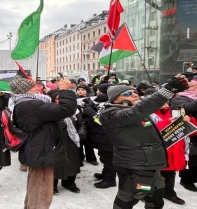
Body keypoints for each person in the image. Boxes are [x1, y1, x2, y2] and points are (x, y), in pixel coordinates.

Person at [99, 77, 188, 209]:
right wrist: (168, 90)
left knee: (156, 199)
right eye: (128, 94)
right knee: (127, 200)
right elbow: (141, 108)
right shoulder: (110, 114)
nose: (134, 94)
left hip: (151, 165)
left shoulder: (133, 110)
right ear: (115, 99)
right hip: (136, 167)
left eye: (134, 91)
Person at [9, 75, 77, 209]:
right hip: (41, 151)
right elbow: (66, 109)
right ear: (25, 90)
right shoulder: (31, 104)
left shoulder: (26, 102)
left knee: (36, 186)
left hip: (38, 149)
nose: (38, 87)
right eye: (33, 86)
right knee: (41, 190)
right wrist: (64, 91)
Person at [48, 89, 86, 195]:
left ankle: (69, 183)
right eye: (57, 99)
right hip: (56, 143)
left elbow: (81, 124)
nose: (60, 101)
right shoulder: (50, 112)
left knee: (72, 162)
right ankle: (52, 186)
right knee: (56, 164)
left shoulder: (75, 111)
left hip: (73, 141)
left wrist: (81, 134)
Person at [82, 83, 116, 189]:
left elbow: (100, 120)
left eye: (99, 91)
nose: (97, 93)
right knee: (104, 156)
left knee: (108, 159)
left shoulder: (112, 104)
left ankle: (110, 179)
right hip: (102, 136)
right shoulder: (104, 102)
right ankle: (105, 174)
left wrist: (89, 110)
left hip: (108, 137)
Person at [170, 79, 197, 192]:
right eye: (192, 86)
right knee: (192, 157)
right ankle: (187, 179)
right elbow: (187, 108)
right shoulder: (179, 98)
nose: (194, 88)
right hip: (191, 131)